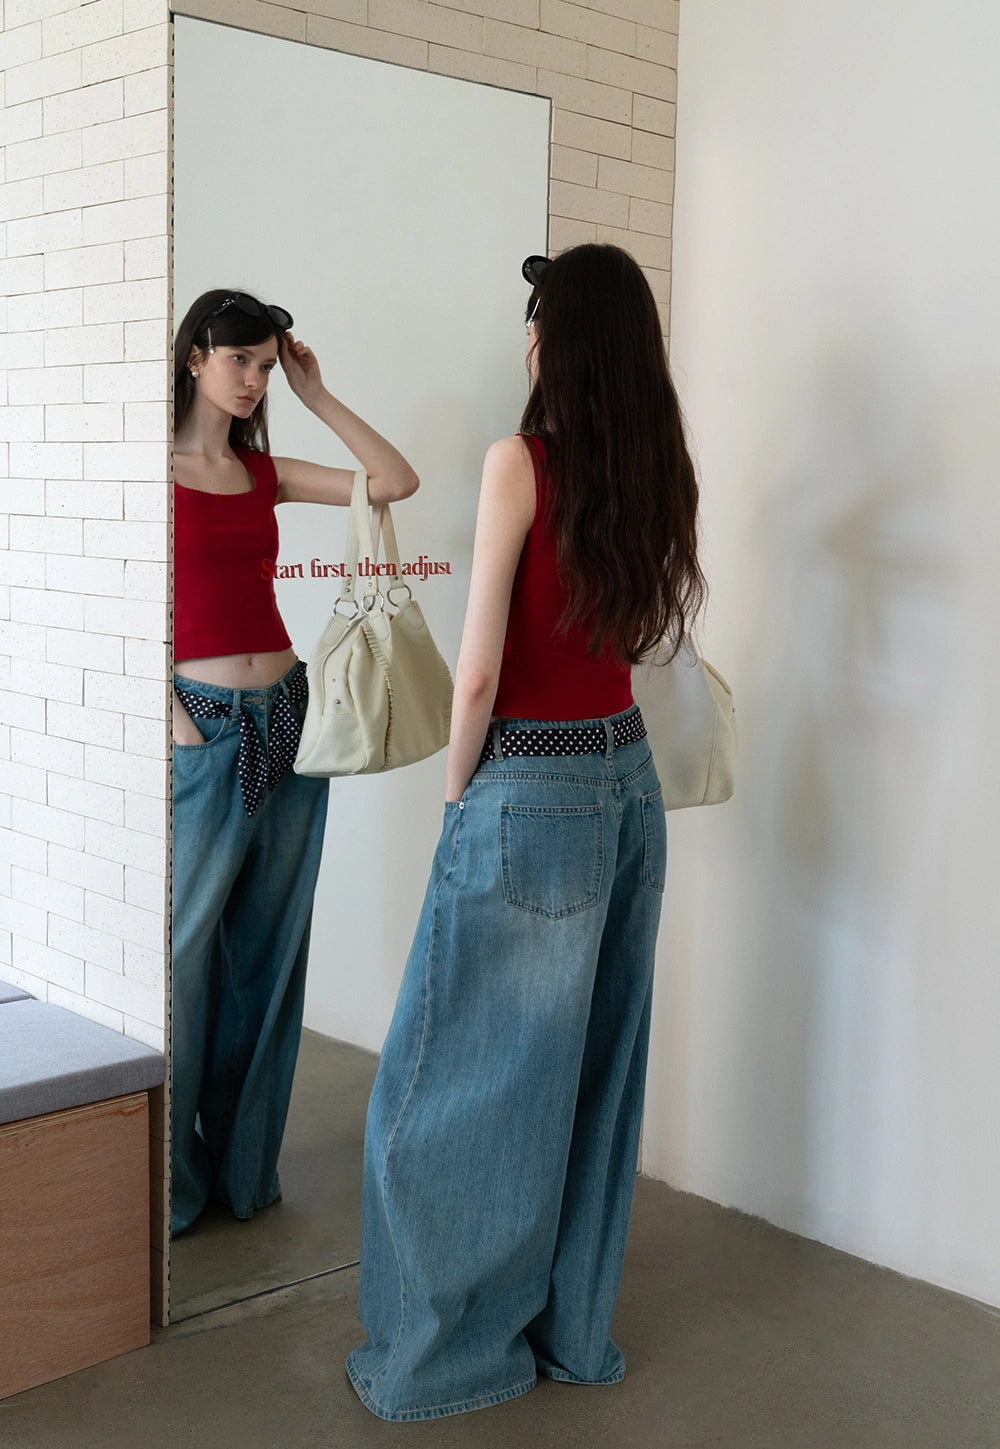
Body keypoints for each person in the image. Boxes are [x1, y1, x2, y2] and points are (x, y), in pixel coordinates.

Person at [346, 245, 706, 1420]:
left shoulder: (521, 461)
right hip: (627, 784)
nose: (527, 338)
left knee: (441, 1080)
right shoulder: (659, 468)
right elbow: (633, 644)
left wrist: (457, 800)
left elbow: (481, 672)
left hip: (528, 787)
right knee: (593, 1077)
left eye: (536, 319)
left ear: (558, 337)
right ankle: (571, 1340)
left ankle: (438, 1362)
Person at [171, 289, 418, 1236]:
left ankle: (242, 1173)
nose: (253, 379)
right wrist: (173, 719)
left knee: (269, 955)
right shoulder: (152, 471)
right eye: (240, 360)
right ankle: (174, 1185)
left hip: (289, 715)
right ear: (195, 357)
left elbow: (393, 480)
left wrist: (316, 394)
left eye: (266, 365)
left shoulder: (260, 470)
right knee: (184, 959)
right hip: (204, 723)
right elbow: (114, 599)